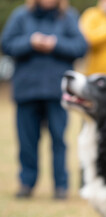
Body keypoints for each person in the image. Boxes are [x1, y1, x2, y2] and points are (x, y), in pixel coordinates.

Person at [1, 0, 87, 199]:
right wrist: (29, 42)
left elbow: (80, 47)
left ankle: (61, 186)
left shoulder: (68, 17)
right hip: (26, 90)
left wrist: (55, 44)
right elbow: (6, 43)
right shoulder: (21, 16)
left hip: (57, 91)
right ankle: (26, 183)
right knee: (27, 141)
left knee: (59, 140)